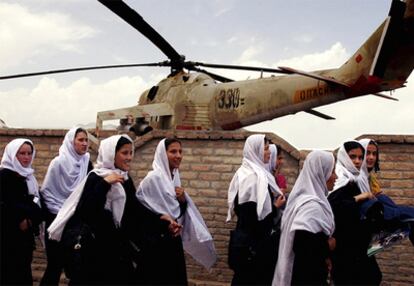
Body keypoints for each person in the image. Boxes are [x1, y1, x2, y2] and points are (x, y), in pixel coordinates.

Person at [48, 134, 139, 284]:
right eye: (124, 153)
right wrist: (104, 184)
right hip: (93, 250)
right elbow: (86, 211)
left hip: (116, 249)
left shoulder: (125, 179)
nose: (129, 157)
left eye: (131, 153)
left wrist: (163, 219)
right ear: (111, 154)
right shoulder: (96, 177)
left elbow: (134, 211)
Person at [136, 138, 216, 285]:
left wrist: (182, 201)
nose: (178, 155)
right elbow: (140, 212)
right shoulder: (153, 179)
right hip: (154, 245)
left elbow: (177, 212)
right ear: (162, 154)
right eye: (173, 151)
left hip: (172, 242)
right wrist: (162, 221)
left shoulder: (173, 178)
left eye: (180, 151)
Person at [227, 134, 285, 285]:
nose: (269, 152)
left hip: (253, 243)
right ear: (256, 151)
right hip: (253, 245)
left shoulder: (257, 174)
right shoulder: (251, 178)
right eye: (265, 149)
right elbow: (249, 214)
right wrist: (275, 207)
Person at [273, 150, 336, 286]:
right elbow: (303, 244)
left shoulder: (306, 200)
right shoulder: (311, 207)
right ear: (321, 173)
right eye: (332, 171)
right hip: (308, 275)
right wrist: (327, 245)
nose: (335, 177)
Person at [40, 127, 93, 285]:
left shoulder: (86, 162)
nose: (84, 144)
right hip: (56, 220)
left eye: (86, 140)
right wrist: (62, 213)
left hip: (75, 221)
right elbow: (47, 192)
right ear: (71, 142)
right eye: (80, 140)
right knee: (54, 266)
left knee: (76, 266)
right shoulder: (58, 163)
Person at [328, 140, 383, 285]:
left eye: (360, 157)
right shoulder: (339, 179)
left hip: (359, 244)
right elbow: (334, 207)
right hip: (344, 246)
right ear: (344, 157)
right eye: (353, 157)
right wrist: (359, 197)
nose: (358, 161)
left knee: (373, 277)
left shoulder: (358, 179)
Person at [0, 138, 43, 285]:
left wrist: (29, 218)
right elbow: (7, 206)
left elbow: (37, 207)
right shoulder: (4, 177)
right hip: (7, 239)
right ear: (13, 154)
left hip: (25, 239)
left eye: (29, 153)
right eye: (22, 153)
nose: (26, 157)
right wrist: (23, 214)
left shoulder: (29, 177)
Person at [358, 138, 414, 243]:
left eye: (374, 154)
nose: (371, 157)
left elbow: (378, 196)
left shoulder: (369, 176)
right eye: (367, 153)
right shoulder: (356, 177)